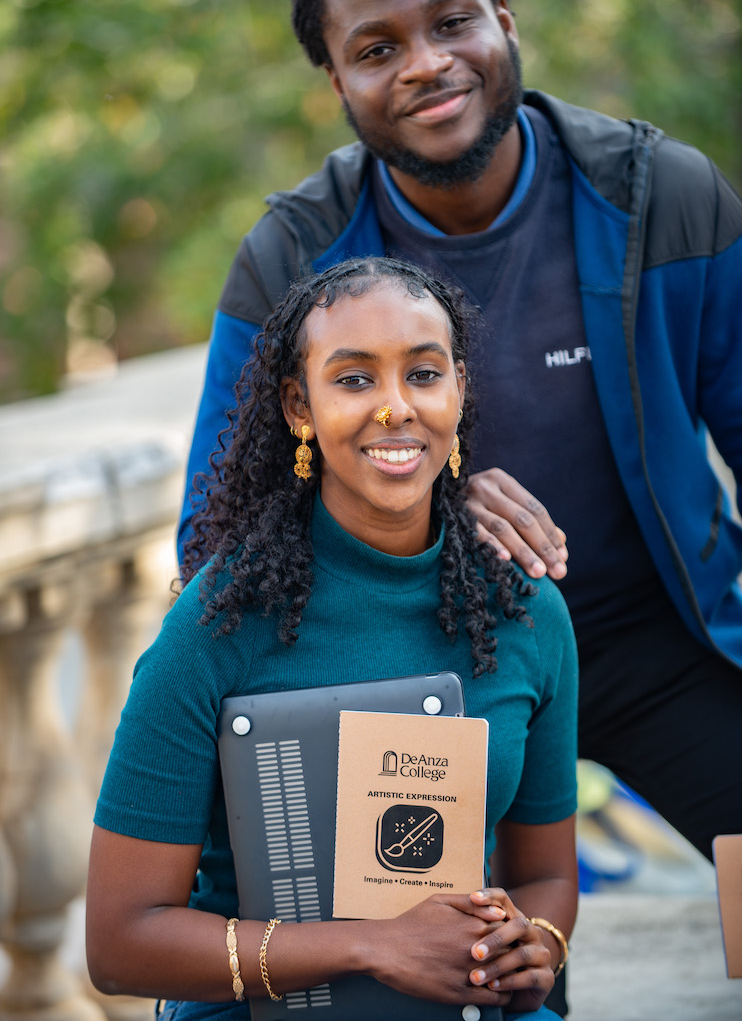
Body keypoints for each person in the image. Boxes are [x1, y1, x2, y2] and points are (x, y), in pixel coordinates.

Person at [178, 0, 742, 864]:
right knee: (484, 985)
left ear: (505, 21)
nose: (426, 63)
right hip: (429, 674)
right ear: (338, 83)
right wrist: (419, 507)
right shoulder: (292, 261)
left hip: (660, 640)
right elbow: (213, 536)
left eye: (450, 22)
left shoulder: (664, 201)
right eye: (376, 48)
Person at [86, 257, 578, 1020]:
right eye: (353, 380)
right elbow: (120, 943)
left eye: (423, 374)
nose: (394, 409)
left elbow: (545, 877)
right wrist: (370, 946)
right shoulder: (217, 622)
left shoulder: (525, 608)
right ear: (298, 408)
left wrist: (538, 941)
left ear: (459, 391)